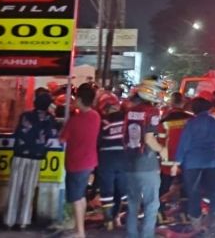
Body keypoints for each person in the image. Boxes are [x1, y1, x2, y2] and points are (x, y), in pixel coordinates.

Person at [4, 92, 59, 230]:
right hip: (36, 156)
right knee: (29, 190)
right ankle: (23, 222)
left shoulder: (25, 116)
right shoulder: (49, 119)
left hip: (19, 154)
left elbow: (16, 133)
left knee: (15, 187)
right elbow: (53, 135)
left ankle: (9, 220)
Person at [172, 93, 215, 232]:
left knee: (193, 192)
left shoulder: (191, 123)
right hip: (213, 161)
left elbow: (184, 143)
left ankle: (196, 224)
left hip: (192, 162)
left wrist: (177, 163)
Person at [124, 80, 168, 238]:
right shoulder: (152, 111)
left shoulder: (129, 111)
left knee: (132, 203)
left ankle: (131, 234)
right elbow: (149, 139)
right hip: (147, 162)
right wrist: (162, 149)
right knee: (151, 204)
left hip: (129, 162)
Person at [60, 82, 100, 238]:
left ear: (80, 100)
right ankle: (79, 227)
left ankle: (80, 232)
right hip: (89, 163)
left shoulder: (75, 120)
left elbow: (62, 139)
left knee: (76, 198)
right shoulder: (96, 116)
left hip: (76, 163)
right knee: (81, 197)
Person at [96, 92, 128, 231]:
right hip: (124, 157)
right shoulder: (127, 119)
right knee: (122, 190)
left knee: (107, 190)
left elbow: (98, 141)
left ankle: (108, 221)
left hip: (106, 158)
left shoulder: (103, 121)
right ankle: (119, 218)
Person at [157, 92, 193, 202]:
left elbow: (160, 140)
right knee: (186, 187)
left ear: (171, 103)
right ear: (183, 103)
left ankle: (161, 211)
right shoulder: (191, 119)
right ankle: (185, 210)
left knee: (164, 187)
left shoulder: (164, 119)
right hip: (186, 159)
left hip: (168, 160)